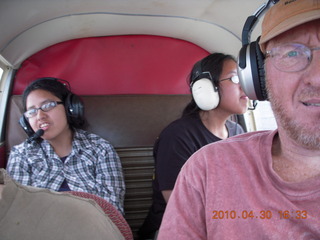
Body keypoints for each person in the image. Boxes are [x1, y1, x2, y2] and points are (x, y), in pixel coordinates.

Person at [158, 1, 320, 239]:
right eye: (292, 53)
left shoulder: (234, 129)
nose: (317, 78)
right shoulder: (195, 154)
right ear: (258, 77)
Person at [138, 53, 249, 239]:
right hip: (175, 228)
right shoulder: (177, 137)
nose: (243, 86)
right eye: (234, 78)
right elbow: (181, 208)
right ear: (206, 88)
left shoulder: (238, 133)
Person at [6, 78, 125, 214]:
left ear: (70, 108)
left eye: (47, 105)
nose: (40, 116)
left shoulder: (101, 149)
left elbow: (113, 210)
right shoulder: (21, 155)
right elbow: (17, 212)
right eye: (32, 111)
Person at [0, 168, 125, 240]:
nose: (39, 119)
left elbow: (112, 202)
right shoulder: (22, 151)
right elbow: (21, 206)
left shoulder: (100, 147)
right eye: (29, 119)